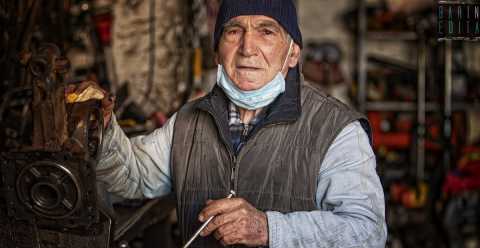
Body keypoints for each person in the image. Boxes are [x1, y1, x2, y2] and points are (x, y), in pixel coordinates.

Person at [87, 0, 388, 247]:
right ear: (218, 50)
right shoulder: (190, 121)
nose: (247, 48)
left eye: (266, 32)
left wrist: (269, 228)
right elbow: (133, 178)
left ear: (293, 53)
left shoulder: (336, 129)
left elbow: (366, 232)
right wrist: (101, 128)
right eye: (234, 31)